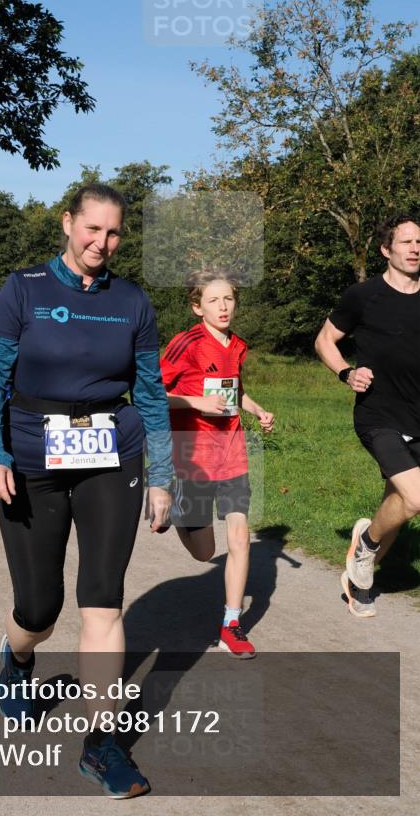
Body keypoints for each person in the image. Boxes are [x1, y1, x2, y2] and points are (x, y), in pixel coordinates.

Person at [0, 183, 173, 799]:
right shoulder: (24, 288)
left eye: (113, 234)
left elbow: (149, 391)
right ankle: (19, 656)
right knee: (39, 607)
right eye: (92, 230)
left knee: (102, 601)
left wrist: (162, 475)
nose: (101, 244)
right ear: (68, 224)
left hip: (112, 453)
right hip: (31, 455)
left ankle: (101, 746)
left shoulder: (132, 301)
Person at [160, 274, 274, 658]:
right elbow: (153, 393)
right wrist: (196, 404)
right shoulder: (186, 343)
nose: (223, 307)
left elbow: (233, 388)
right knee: (205, 553)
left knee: (240, 537)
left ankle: (231, 623)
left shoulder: (238, 345)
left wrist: (255, 409)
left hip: (232, 450)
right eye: (213, 300)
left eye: (229, 299)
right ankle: (178, 512)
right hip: (193, 454)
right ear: (198, 307)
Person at [315, 215, 420, 618]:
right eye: (406, 242)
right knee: (413, 497)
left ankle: (360, 580)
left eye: (418, 242)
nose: (414, 249)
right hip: (379, 414)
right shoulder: (363, 296)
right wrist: (346, 372)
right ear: (386, 250)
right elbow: (325, 340)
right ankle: (366, 549)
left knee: (398, 498)